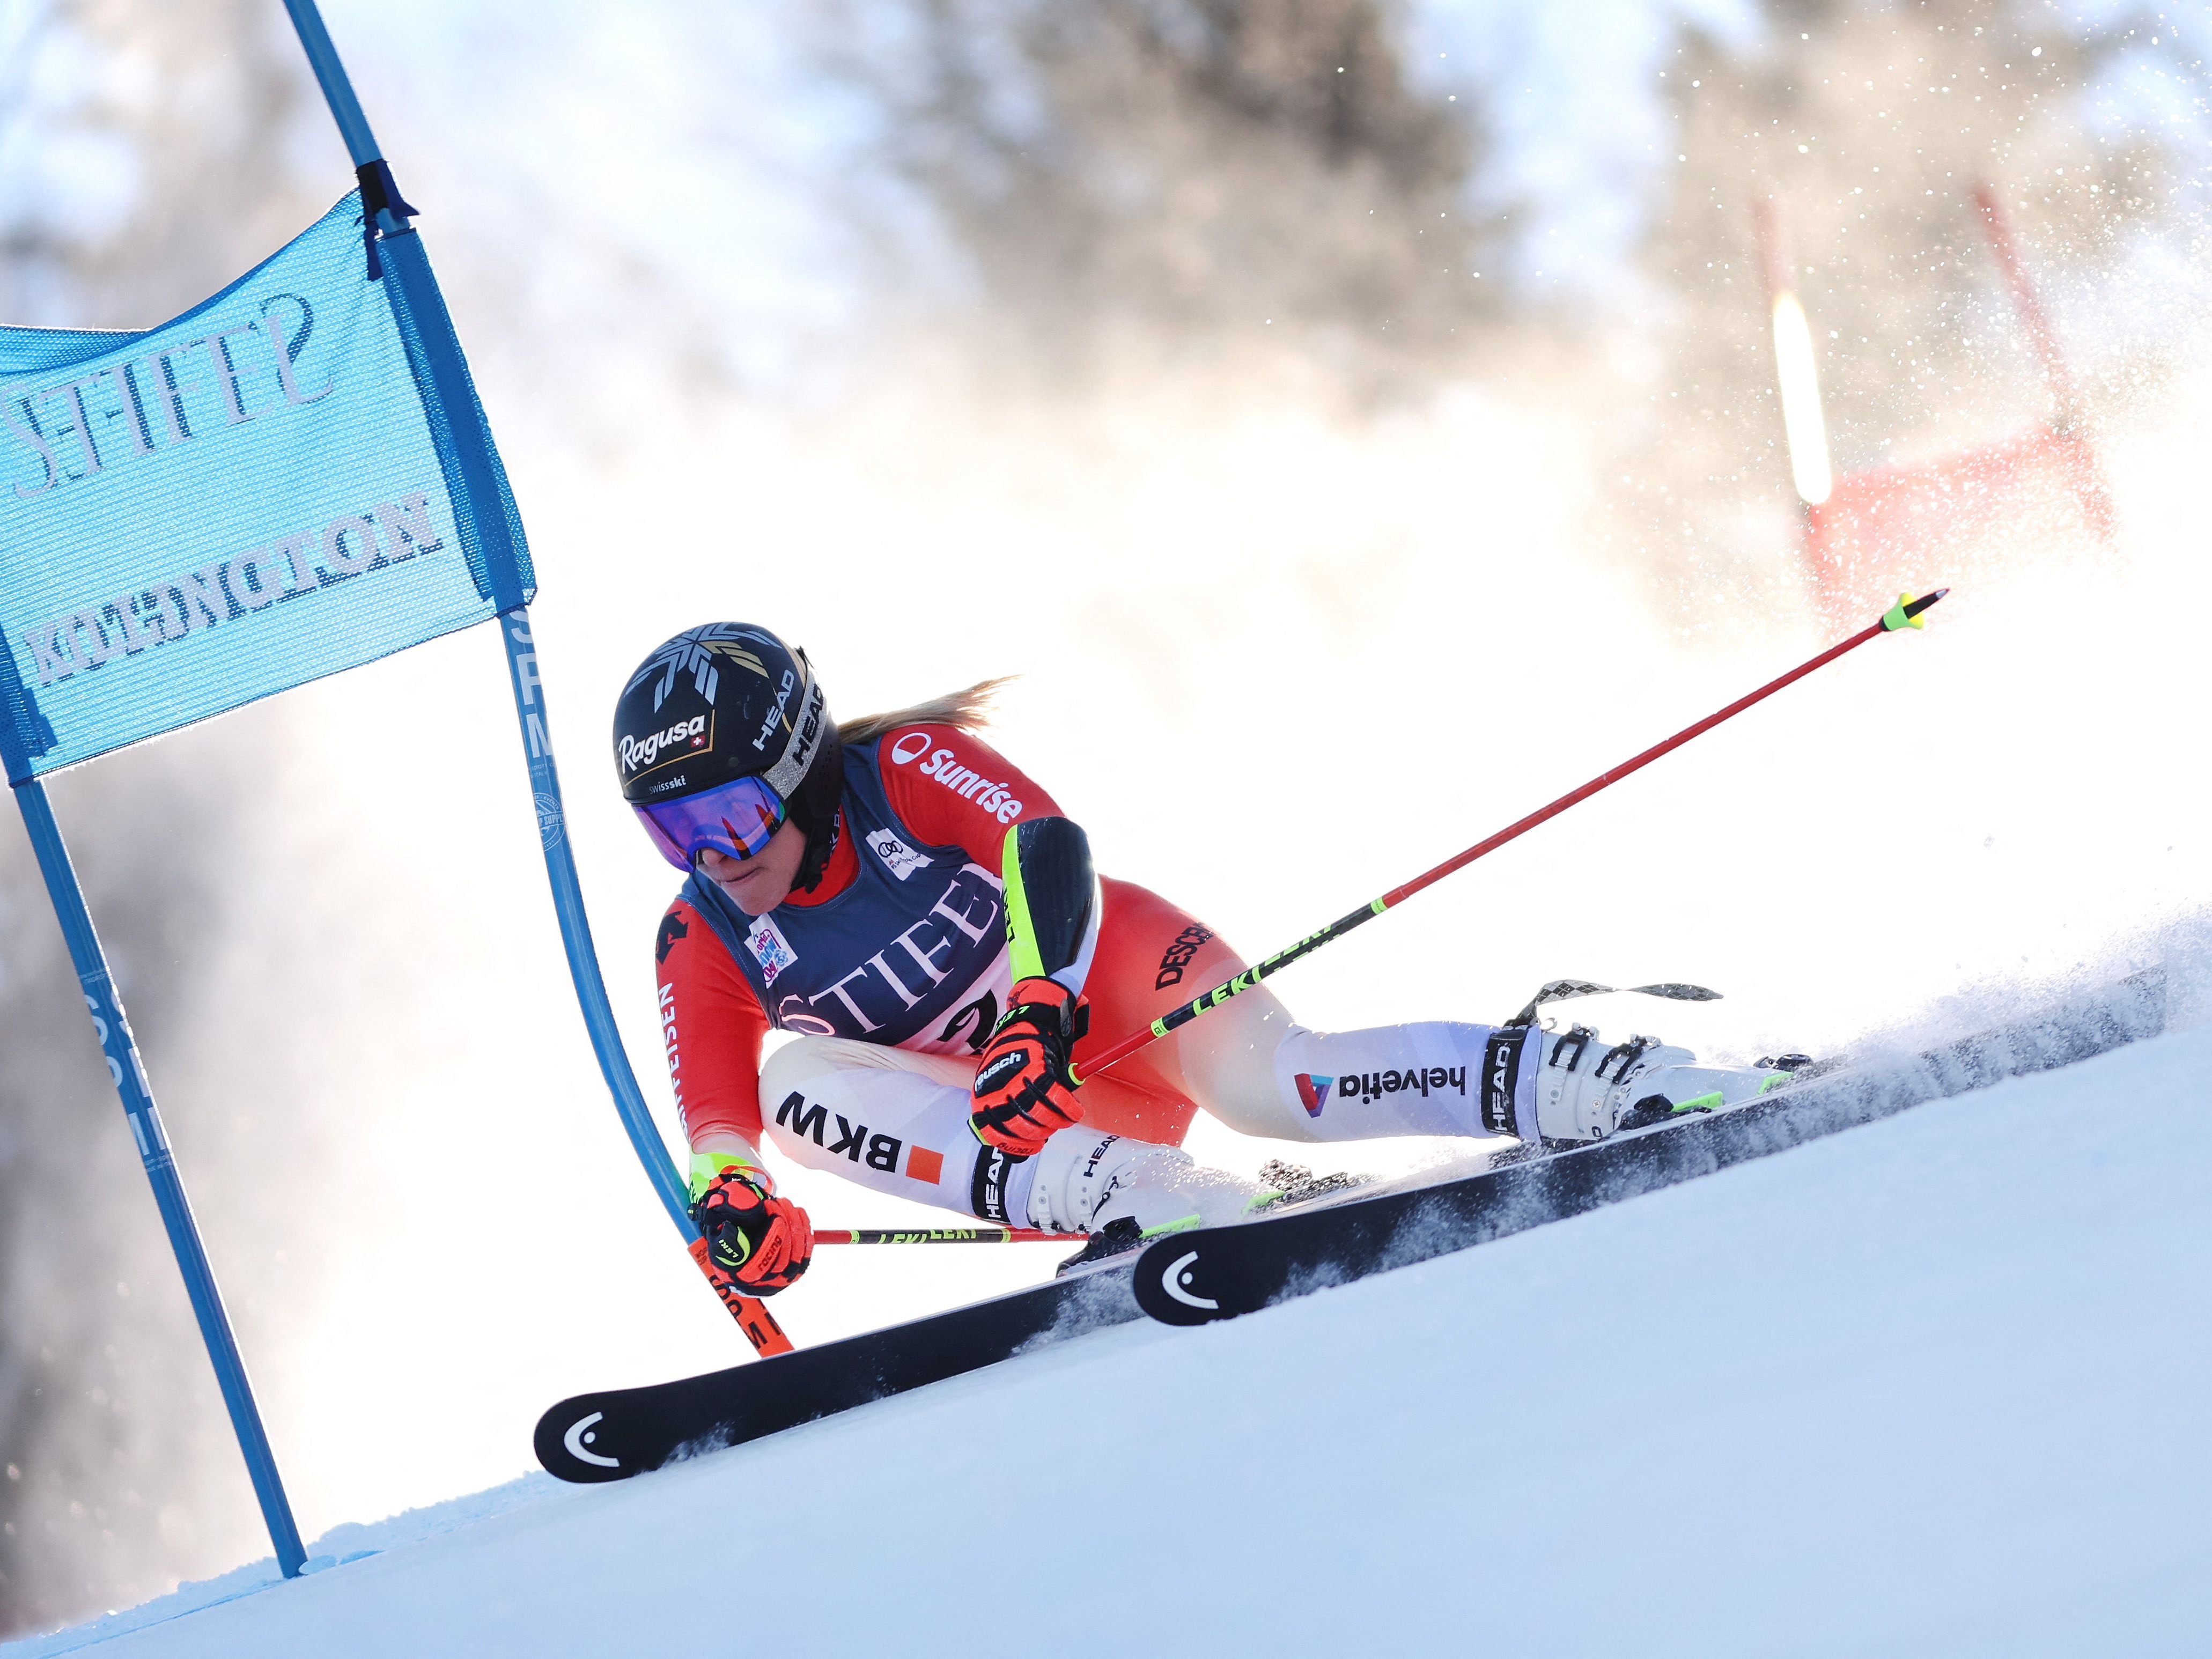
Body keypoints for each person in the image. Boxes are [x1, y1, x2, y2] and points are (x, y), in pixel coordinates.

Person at [615, 622, 1789, 1306]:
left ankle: (1592, 1082)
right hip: (1041, 1119)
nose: (712, 857)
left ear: (802, 763)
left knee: (1282, 1089)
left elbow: (1044, 845)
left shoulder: (904, 766)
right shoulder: (704, 931)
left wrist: (1038, 1002)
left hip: (1107, 984)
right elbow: (720, 1109)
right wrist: (736, 1195)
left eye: (724, 815)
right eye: (672, 833)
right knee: (788, 1086)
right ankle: (1158, 1199)